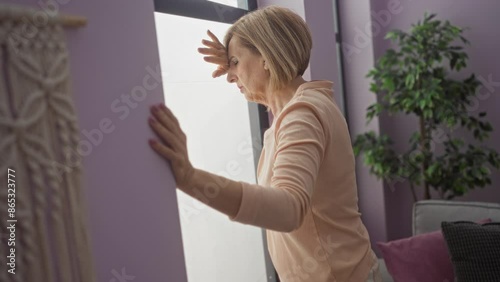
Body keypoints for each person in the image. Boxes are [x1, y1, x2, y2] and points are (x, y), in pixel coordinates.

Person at [147, 5, 381, 282]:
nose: (229, 76)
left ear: (267, 58)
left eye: (234, 63)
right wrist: (240, 56)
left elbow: (288, 209)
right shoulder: (299, 110)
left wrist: (191, 178)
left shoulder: (302, 114)